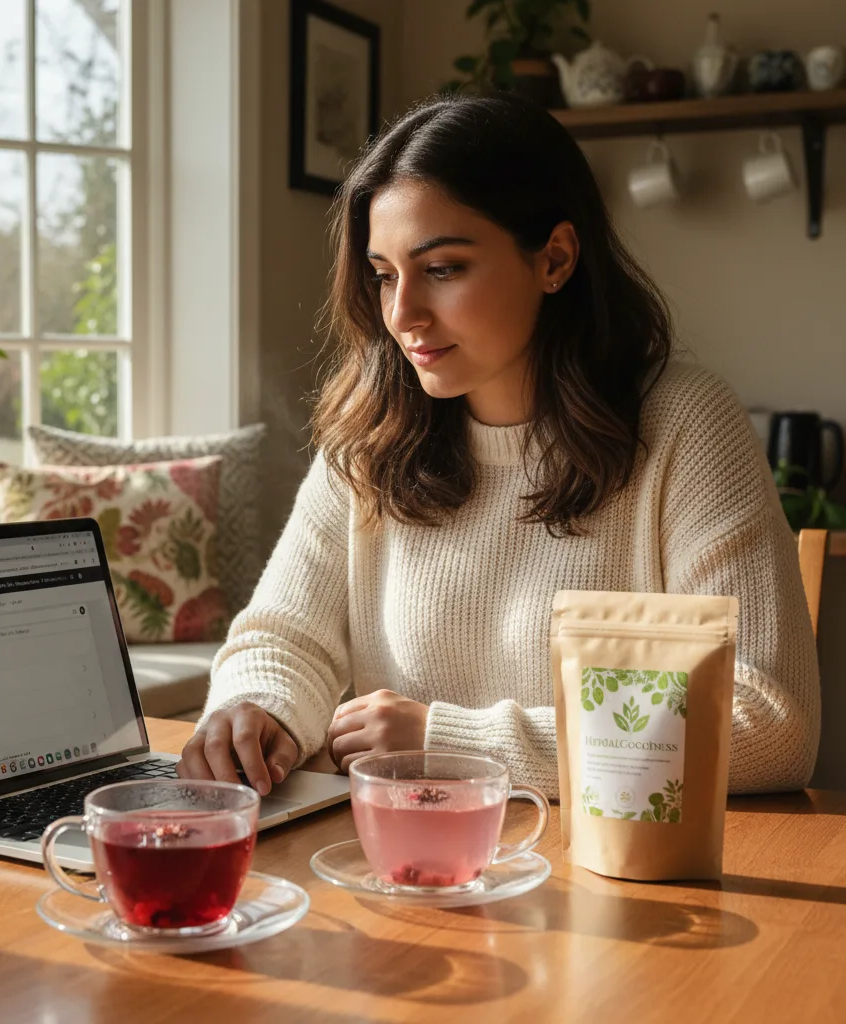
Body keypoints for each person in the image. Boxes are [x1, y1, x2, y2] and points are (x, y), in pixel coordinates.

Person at [177, 94, 819, 799]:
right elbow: (284, 639)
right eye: (384, 273)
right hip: (413, 865)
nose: (402, 314)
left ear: (556, 259)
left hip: (612, 878)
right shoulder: (370, 433)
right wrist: (254, 708)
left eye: (444, 268)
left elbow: (771, 721)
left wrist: (452, 744)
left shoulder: (686, 424)